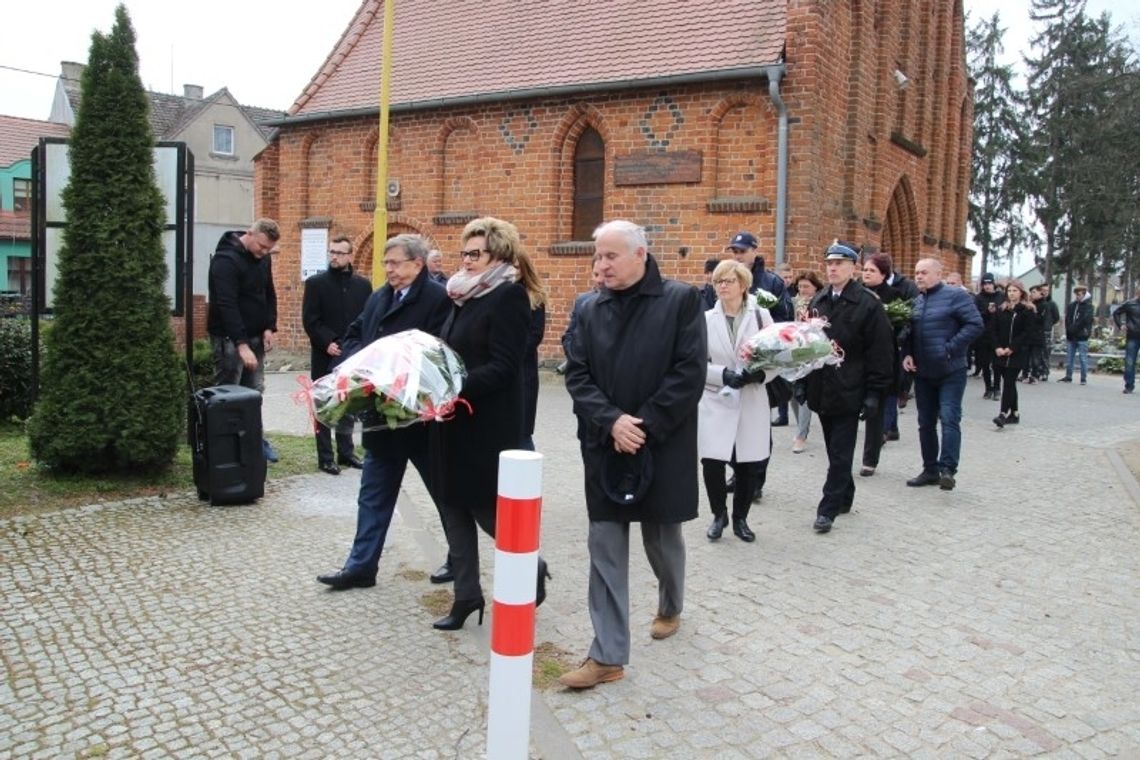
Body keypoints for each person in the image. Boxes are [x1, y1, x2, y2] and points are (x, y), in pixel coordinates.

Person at [559, 219, 705, 689]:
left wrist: (641, 426)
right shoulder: (586, 306)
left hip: (660, 443)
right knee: (604, 545)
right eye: (597, 256)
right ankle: (607, 655)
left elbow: (688, 374)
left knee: (661, 539)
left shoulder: (681, 301)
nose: (601, 266)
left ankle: (670, 603)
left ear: (640, 255)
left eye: (610, 256)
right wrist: (612, 422)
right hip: (605, 444)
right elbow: (577, 374)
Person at [429, 217, 550, 630]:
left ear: (498, 254)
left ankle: (531, 563)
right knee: (451, 506)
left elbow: (503, 367)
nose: (466, 260)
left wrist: (455, 388)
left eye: (474, 253)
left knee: (482, 509)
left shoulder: (509, 298)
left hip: (487, 422)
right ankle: (466, 596)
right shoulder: (461, 295)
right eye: (463, 252)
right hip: (451, 421)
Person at [315, 234, 453, 590]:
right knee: (373, 493)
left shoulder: (439, 299)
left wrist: (399, 372)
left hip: (419, 418)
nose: (388, 270)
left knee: (445, 492)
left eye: (395, 263)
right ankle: (361, 567)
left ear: (417, 264)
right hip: (381, 415)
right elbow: (354, 334)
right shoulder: (379, 296)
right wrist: (360, 365)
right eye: (385, 264)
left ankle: (460, 558)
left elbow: (441, 351)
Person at [801, 242, 894, 534]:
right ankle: (845, 496)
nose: (833, 268)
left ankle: (827, 509)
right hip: (823, 387)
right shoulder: (819, 300)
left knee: (841, 452)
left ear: (853, 267)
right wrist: (802, 383)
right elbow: (807, 345)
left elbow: (880, 352)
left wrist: (874, 393)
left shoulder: (868, 303)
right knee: (834, 449)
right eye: (829, 263)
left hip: (851, 388)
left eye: (840, 263)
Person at [698, 260, 775, 543]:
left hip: (751, 398)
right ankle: (719, 514)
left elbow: (777, 355)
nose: (722, 286)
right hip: (716, 397)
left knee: (748, 463)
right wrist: (722, 375)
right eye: (718, 281)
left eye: (728, 281)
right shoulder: (706, 319)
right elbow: (695, 363)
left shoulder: (760, 316)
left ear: (743, 285)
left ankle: (741, 519)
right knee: (712, 461)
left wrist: (760, 375)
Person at [901, 258, 984, 491]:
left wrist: (950, 348)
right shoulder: (916, 302)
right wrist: (906, 354)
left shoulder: (956, 296)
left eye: (924, 272)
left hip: (951, 370)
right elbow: (909, 332)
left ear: (938, 274)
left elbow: (975, 324)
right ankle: (930, 470)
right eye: (916, 272)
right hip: (923, 372)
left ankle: (947, 469)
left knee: (949, 417)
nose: (919, 276)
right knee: (925, 422)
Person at [206, 218, 280, 463]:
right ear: (249, 234)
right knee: (229, 393)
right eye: (261, 247)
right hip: (230, 340)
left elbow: (268, 292)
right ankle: (225, 447)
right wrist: (241, 344)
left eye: (269, 249)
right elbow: (227, 305)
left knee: (254, 391)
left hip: (256, 336)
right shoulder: (225, 261)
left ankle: (254, 442)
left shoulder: (262, 258)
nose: (264, 253)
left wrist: (270, 326)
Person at [302, 235, 372, 474]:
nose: (334, 256)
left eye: (340, 253)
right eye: (331, 252)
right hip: (325, 355)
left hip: (352, 354)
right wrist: (327, 341)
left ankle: (346, 452)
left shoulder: (363, 286)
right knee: (324, 405)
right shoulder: (316, 284)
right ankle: (325, 457)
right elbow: (311, 320)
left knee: (348, 404)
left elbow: (366, 318)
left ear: (350, 255)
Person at [858, 253, 904, 475]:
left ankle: (870, 459)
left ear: (883, 274)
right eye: (865, 269)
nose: (866, 273)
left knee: (875, 411)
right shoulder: (856, 293)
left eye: (872, 270)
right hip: (858, 359)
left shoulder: (893, 296)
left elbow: (903, 326)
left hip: (882, 359)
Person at [991, 280, 1034, 428]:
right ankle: (1015, 413)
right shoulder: (1002, 309)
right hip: (1001, 353)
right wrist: (997, 347)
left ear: (1021, 293)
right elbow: (993, 330)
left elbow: (1027, 333)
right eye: (1009, 291)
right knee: (1009, 384)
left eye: (1015, 291)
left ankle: (1002, 414)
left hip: (1016, 354)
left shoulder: (1027, 310)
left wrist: (1012, 347)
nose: (1011, 294)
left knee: (1009, 382)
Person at [790, 270, 823, 453]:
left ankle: (801, 435)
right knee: (792, 394)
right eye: (800, 286)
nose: (802, 290)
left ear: (815, 287)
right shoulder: (794, 302)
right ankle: (800, 427)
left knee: (804, 394)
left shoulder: (819, 303)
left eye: (806, 287)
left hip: (811, 351)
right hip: (794, 349)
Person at [726, 231, 791, 321]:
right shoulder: (725, 281)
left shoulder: (773, 282)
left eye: (742, 251)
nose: (738, 256)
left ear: (754, 251)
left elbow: (784, 319)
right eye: (735, 252)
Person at [521, 285, 548, 451]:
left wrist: (510, 355)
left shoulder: (534, 297)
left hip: (524, 369)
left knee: (522, 432)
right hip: (500, 371)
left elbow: (536, 333)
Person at [973, 273, 1005, 400]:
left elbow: (1006, 311)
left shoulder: (1001, 296)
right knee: (984, 363)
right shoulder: (978, 298)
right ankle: (988, 388)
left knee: (997, 363)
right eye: (985, 284)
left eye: (989, 283)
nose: (987, 286)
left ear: (994, 284)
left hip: (997, 334)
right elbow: (975, 314)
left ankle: (997, 387)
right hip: (983, 335)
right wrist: (987, 312)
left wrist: (997, 310)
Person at [1060, 284, 1094, 384]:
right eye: (1076, 294)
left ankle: (1083, 378)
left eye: (1079, 294)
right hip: (1071, 335)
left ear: (1084, 294)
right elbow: (1068, 319)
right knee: (1069, 357)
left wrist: (1073, 328)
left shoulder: (1089, 306)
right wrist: (1069, 329)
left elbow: (1085, 320)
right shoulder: (1072, 305)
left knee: (1083, 358)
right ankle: (1068, 376)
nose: (1077, 297)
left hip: (1082, 336)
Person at [1112, 284, 1140, 394]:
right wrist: (1121, 325)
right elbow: (1116, 313)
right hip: (1133, 336)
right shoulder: (1130, 303)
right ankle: (1129, 385)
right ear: (1138, 293)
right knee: (1129, 362)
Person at [1036, 283, 1061, 381]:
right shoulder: (1036, 302)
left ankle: (1045, 372)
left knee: (1045, 352)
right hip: (1037, 330)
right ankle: (1036, 371)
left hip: (1046, 331)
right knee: (1036, 352)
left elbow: (1056, 317)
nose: (1045, 292)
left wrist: (1049, 324)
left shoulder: (1052, 304)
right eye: (1043, 290)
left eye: (1047, 290)